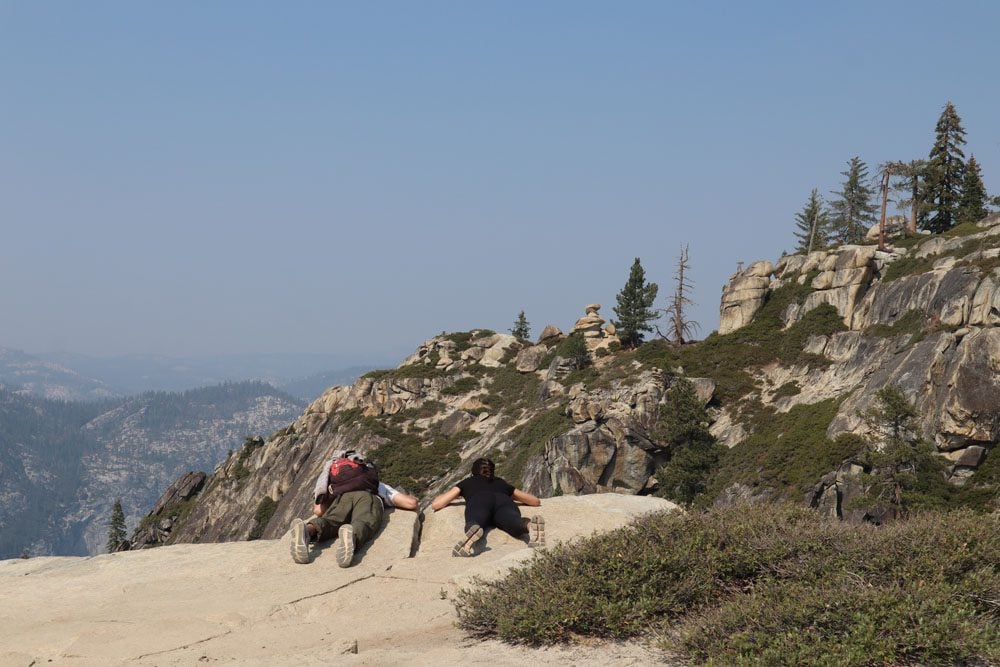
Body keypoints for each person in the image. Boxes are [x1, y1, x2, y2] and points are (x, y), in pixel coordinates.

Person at [288, 450, 418, 566]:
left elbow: (318, 511)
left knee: (331, 520)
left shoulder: (337, 486)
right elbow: (410, 504)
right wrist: (413, 498)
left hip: (341, 499)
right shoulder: (375, 484)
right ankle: (352, 537)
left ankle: (308, 530)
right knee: (364, 520)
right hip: (367, 497)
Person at [430, 457, 545, 557]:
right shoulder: (501, 483)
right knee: (513, 520)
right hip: (503, 501)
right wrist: (510, 495)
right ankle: (529, 525)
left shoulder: (468, 482)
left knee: (476, 519)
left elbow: (437, 505)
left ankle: (473, 530)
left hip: (480, 500)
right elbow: (535, 501)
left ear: (473, 471)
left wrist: (443, 496)